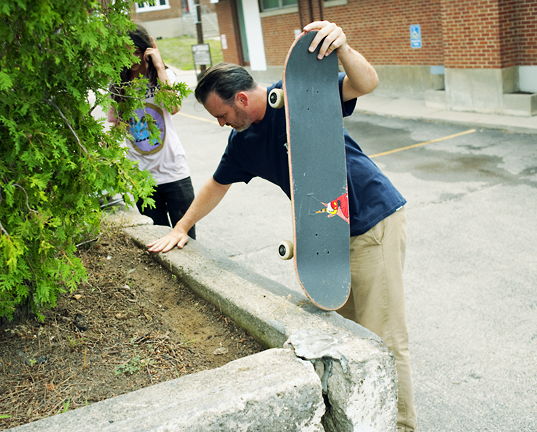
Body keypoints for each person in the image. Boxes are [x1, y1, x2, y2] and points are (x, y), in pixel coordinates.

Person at [147, 20, 416, 432]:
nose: (220, 124)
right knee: (346, 335)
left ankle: (400, 426)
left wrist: (342, 47)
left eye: (221, 115)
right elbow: (215, 186)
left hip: (372, 221)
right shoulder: (243, 142)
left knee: (384, 336)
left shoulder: (298, 93)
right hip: (327, 236)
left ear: (239, 98)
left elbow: (366, 83)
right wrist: (181, 227)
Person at [109, 24, 196, 239]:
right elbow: (118, 126)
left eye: (138, 52)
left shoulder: (162, 77)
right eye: (127, 54)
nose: (133, 60)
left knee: (187, 240)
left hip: (174, 172)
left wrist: (159, 67)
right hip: (142, 177)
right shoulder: (119, 85)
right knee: (158, 241)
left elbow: (174, 107)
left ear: (147, 50)